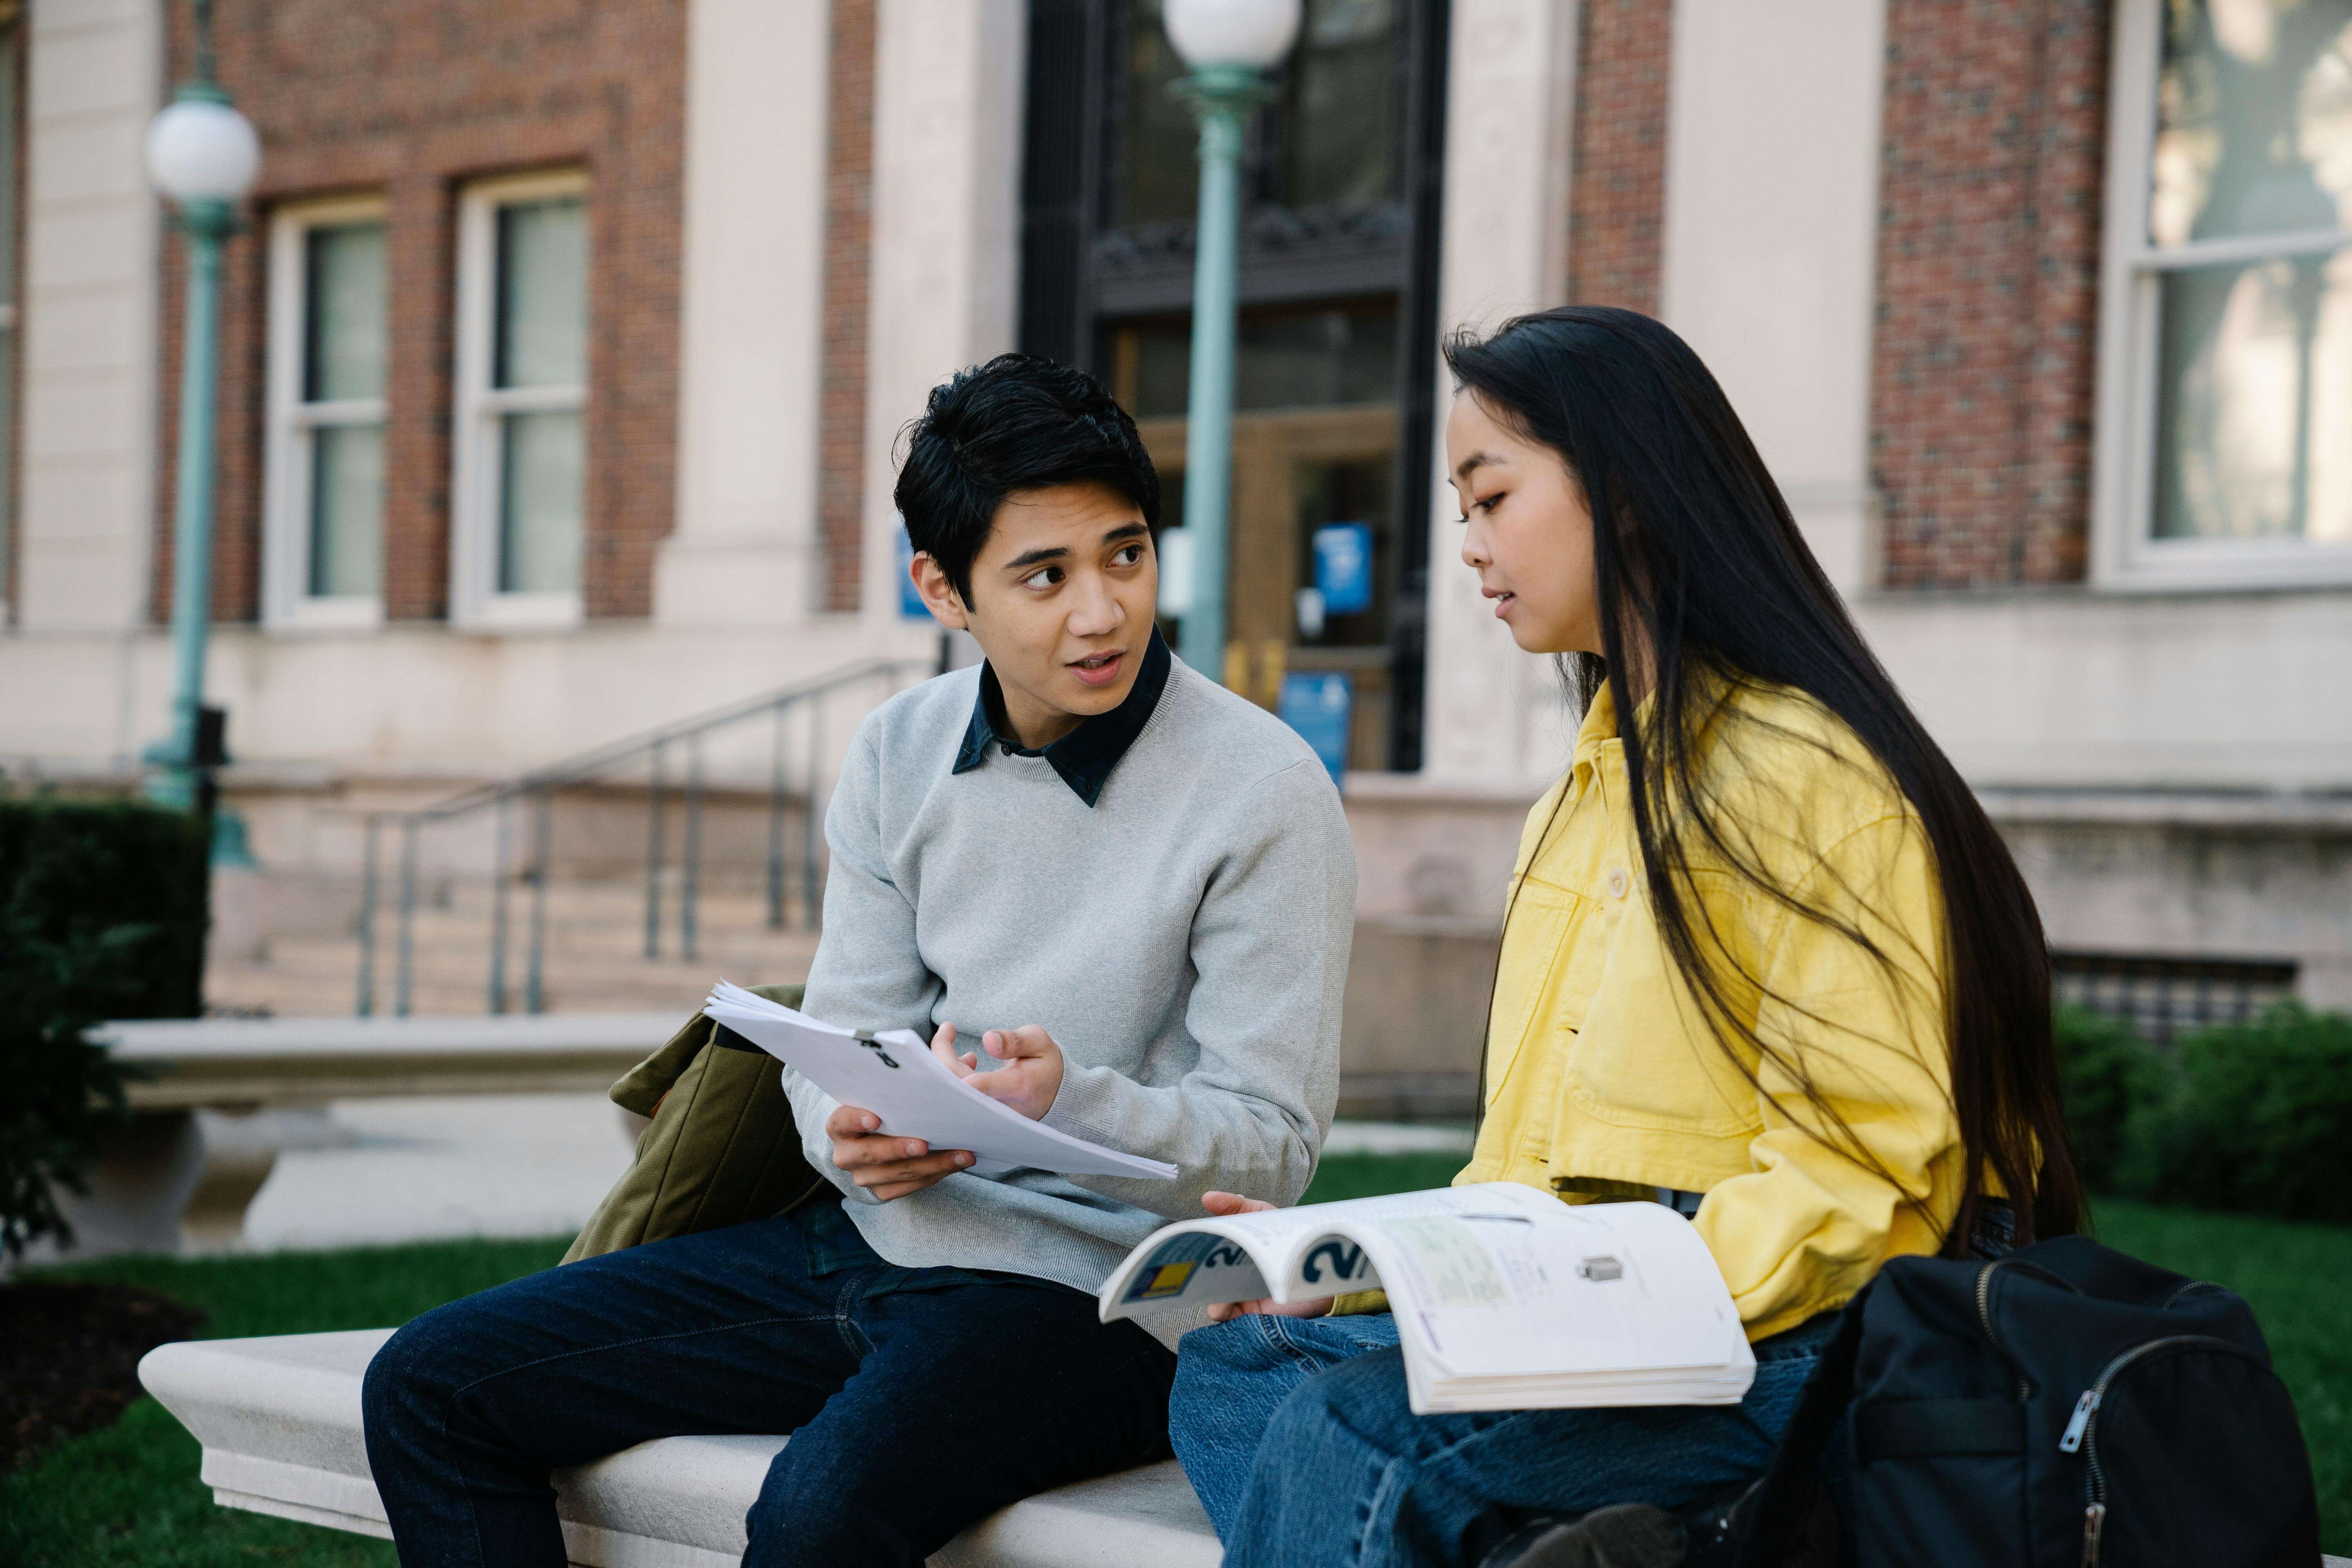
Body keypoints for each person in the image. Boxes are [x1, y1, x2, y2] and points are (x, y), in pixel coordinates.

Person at [360, 354, 1357, 1568]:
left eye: (1127, 555)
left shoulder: (1264, 790)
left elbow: (1273, 1140)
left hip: (1099, 1299)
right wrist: (850, 1124)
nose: (1102, 610)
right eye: (1044, 575)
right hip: (869, 1241)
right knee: (431, 1386)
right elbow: (843, 1026)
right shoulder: (901, 751)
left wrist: (1069, 1101)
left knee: (818, 1517)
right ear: (945, 588)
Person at [1164, 307, 2084, 1568]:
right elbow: (1523, 1168)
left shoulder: (1807, 776)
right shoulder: (1590, 791)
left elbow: (1870, 1177)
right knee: (1232, 1365)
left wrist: (1598, 1316)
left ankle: (1638, 1530)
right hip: (1584, 1304)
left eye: (1492, 499)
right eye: (1462, 510)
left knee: (1353, 1435)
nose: (1471, 549)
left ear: (1630, 491)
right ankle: (1610, 1545)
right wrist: (1362, 1267)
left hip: (1781, 1337)